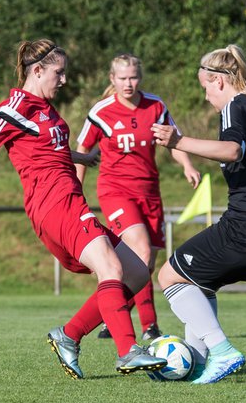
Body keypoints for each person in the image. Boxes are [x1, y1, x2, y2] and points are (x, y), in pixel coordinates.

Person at [0, 38, 167, 379]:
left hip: (71, 200)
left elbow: (49, 148)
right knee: (110, 267)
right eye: (59, 72)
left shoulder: (45, 110)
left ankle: (68, 335)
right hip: (53, 205)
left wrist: (82, 157)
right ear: (37, 71)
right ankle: (128, 351)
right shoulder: (15, 107)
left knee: (137, 272)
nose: (64, 80)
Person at [150, 44, 246, 384]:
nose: (206, 97)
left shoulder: (236, 105)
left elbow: (233, 150)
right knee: (199, 280)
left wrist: (178, 141)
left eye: (205, 87)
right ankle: (197, 361)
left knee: (169, 276)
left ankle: (221, 351)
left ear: (219, 81)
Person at [74, 53, 201, 344]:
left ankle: (133, 319)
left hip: (150, 192)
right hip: (115, 191)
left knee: (146, 267)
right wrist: (76, 188)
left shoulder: (155, 106)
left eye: (133, 77)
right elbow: (82, 150)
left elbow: (172, 139)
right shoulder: (101, 111)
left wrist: (187, 164)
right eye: (122, 78)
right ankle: (128, 319)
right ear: (112, 79)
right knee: (140, 251)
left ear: (139, 77)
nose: (128, 83)